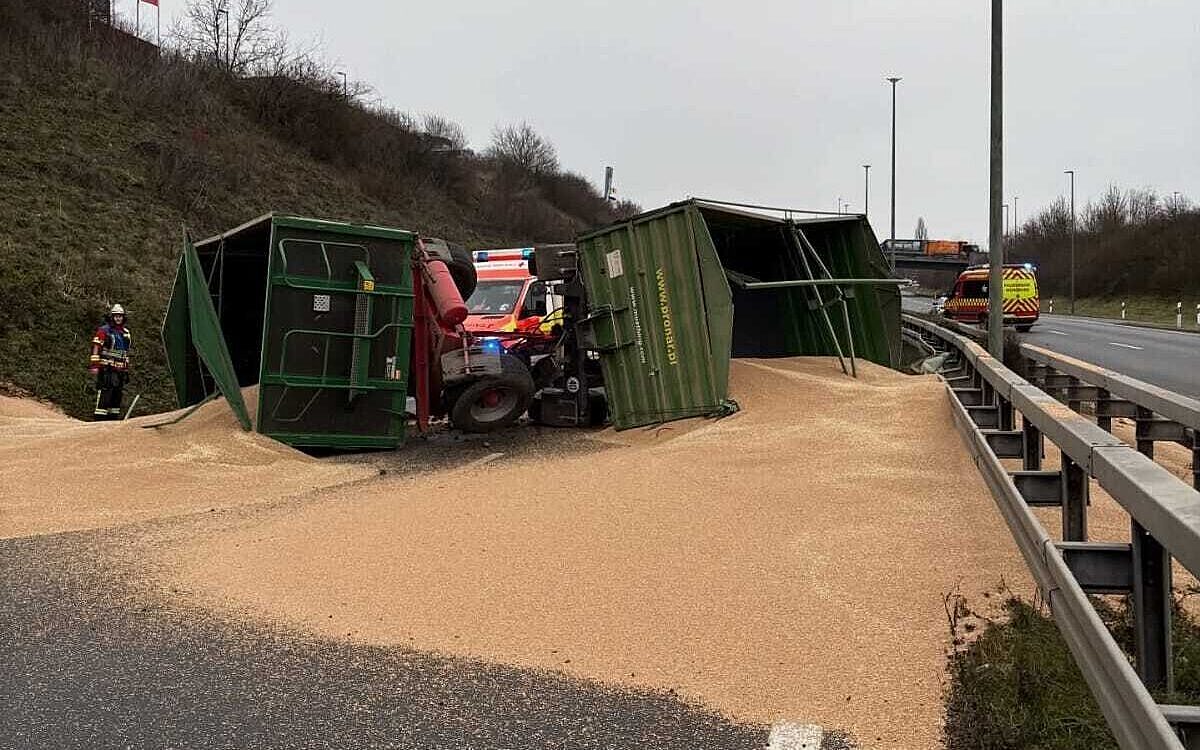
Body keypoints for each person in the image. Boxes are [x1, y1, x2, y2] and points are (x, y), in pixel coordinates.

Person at [89, 304, 131, 420]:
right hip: (107, 368)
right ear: (112, 317)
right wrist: (95, 365)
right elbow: (96, 347)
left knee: (117, 396)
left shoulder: (126, 333)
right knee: (105, 394)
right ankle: (99, 420)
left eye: (120, 316)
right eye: (116, 316)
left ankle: (112, 421)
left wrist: (126, 369)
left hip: (120, 370)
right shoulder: (104, 330)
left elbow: (125, 352)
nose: (118, 318)